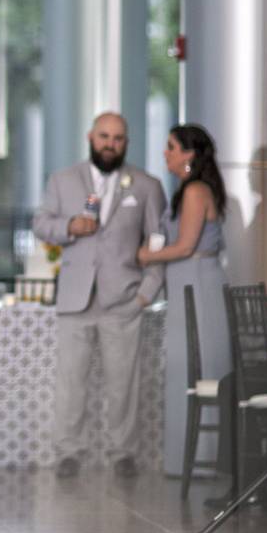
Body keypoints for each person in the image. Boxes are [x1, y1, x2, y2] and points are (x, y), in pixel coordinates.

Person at [32, 112, 166, 479]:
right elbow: (40, 224)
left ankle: (124, 452)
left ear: (127, 142)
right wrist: (69, 226)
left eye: (118, 138)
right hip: (75, 298)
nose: (110, 144)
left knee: (124, 381)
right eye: (104, 136)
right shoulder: (62, 180)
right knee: (70, 381)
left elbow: (158, 243)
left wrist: (145, 296)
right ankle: (67, 453)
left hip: (122, 300)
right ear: (91, 137)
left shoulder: (146, 185)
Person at [136, 125, 231, 477]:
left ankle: (205, 460)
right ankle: (186, 459)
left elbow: (186, 246)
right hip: (184, 283)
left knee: (198, 364)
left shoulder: (195, 192)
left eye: (171, 147)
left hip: (198, 284)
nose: (166, 153)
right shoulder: (187, 190)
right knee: (184, 366)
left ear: (189, 154)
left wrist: (147, 256)